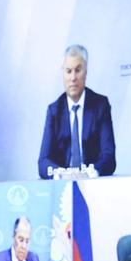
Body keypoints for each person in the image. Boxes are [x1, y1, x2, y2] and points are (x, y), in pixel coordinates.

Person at [37, 44, 116, 179]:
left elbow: (108, 157)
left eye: (78, 70)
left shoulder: (100, 106)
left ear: (86, 72)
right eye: (68, 71)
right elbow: (43, 161)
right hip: (62, 186)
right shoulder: (54, 111)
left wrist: (88, 174)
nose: (73, 78)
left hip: (93, 185)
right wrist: (61, 174)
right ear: (63, 74)